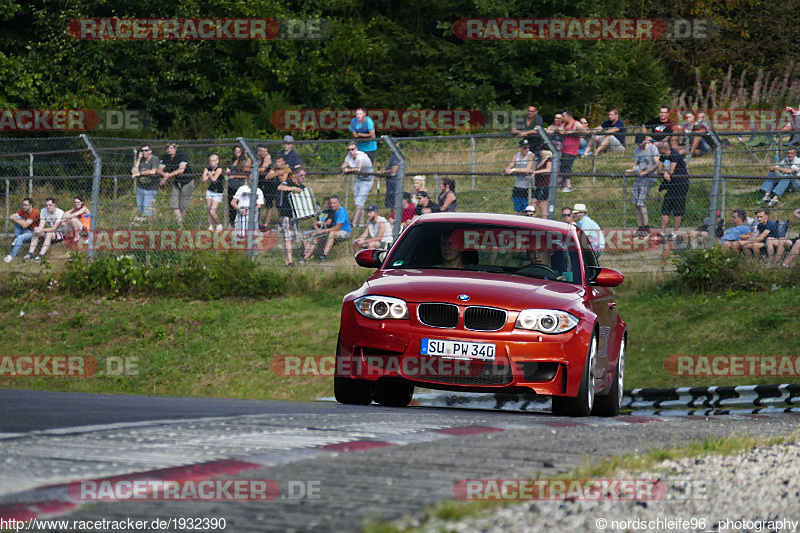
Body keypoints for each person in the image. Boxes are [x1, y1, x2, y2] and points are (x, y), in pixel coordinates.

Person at [625, 134, 660, 235]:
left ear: (645, 140)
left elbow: (657, 164)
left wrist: (646, 172)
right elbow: (636, 165)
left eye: (641, 143)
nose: (640, 145)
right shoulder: (637, 150)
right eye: (638, 143)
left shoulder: (653, 149)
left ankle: (646, 226)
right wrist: (631, 170)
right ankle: (640, 227)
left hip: (648, 177)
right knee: (636, 203)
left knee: (641, 203)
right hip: (639, 176)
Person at [656, 141, 690, 239]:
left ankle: (674, 232)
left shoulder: (674, 154)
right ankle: (662, 232)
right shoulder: (663, 157)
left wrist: (666, 173)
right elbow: (659, 170)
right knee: (665, 208)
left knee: (678, 209)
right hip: (671, 185)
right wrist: (665, 173)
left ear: (663, 149)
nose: (658, 151)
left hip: (681, 184)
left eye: (659, 149)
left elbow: (672, 170)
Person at [276, 166, 305, 266]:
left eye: (304, 176)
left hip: (296, 215)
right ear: (296, 175)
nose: (303, 177)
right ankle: (291, 261)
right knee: (288, 237)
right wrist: (293, 189)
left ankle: (287, 260)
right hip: (286, 214)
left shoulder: (303, 187)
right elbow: (280, 187)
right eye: (301, 175)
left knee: (292, 238)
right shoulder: (289, 183)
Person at [159, 143, 193, 226]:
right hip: (176, 181)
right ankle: (180, 223)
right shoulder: (165, 157)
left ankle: (182, 224)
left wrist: (168, 176)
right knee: (173, 203)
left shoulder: (182, 155)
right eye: (168, 148)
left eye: (171, 148)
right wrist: (164, 175)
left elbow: (181, 170)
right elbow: (159, 169)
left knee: (184, 204)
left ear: (175, 149)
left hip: (187, 181)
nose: (169, 150)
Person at [342, 142, 374, 228]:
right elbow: (343, 166)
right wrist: (346, 168)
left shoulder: (361, 155)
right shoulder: (349, 156)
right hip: (359, 179)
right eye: (349, 150)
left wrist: (348, 170)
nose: (351, 151)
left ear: (356, 149)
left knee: (359, 202)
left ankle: (354, 222)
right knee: (360, 202)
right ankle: (361, 223)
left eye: (352, 149)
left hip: (367, 180)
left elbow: (358, 169)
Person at [553, 110, 586, 192]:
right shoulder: (564, 125)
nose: (562, 118)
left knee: (567, 165)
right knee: (563, 166)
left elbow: (584, 130)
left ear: (569, 116)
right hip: (564, 149)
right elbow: (559, 130)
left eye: (564, 116)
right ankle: (562, 184)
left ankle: (569, 185)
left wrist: (573, 132)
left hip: (572, 150)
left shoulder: (576, 124)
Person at [24, 197, 64, 262]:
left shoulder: (60, 212)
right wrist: (38, 229)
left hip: (59, 233)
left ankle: (40, 256)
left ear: (54, 205)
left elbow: (54, 228)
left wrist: (41, 229)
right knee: (36, 232)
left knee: (49, 233)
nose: (48, 207)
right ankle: (30, 254)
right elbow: (41, 224)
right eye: (47, 205)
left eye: (50, 205)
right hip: (49, 230)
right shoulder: (43, 210)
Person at [503, 139, 535, 215]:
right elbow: (511, 165)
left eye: (528, 148)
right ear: (520, 148)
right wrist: (506, 169)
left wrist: (513, 170)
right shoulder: (516, 156)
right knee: (518, 209)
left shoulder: (531, 155)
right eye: (525, 148)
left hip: (528, 186)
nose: (527, 150)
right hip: (518, 185)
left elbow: (527, 169)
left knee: (528, 210)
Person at [131, 144, 161, 225]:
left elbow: (153, 171)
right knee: (140, 208)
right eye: (142, 151)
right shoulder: (141, 160)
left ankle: (149, 226)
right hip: (141, 187)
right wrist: (138, 159)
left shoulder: (154, 159)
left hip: (151, 188)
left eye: (146, 150)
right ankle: (142, 224)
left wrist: (140, 173)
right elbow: (133, 171)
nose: (144, 152)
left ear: (150, 151)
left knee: (147, 208)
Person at [4, 198, 40, 263]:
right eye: (23, 205)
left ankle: (11, 256)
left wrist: (17, 220)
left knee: (20, 237)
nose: (24, 206)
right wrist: (19, 220)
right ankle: (16, 237)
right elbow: (11, 217)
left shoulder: (35, 212)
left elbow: (25, 225)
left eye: (26, 205)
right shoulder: (22, 211)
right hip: (25, 230)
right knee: (19, 219)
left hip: (33, 232)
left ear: (31, 205)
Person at [301, 197, 334, 262]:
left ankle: (305, 257)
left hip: (323, 231)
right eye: (325, 204)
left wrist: (319, 224)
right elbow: (314, 223)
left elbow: (328, 222)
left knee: (313, 241)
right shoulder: (322, 213)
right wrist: (317, 228)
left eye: (328, 204)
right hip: (316, 230)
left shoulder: (331, 213)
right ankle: (307, 253)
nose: (326, 206)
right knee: (304, 236)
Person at [320, 195, 352, 262]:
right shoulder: (330, 211)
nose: (332, 205)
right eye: (331, 203)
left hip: (345, 232)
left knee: (332, 234)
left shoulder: (342, 212)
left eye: (334, 203)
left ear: (339, 204)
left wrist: (324, 230)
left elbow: (337, 227)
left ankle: (324, 255)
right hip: (334, 230)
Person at [226, 146, 248, 228]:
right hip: (231, 185)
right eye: (235, 151)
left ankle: (238, 222)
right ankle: (231, 223)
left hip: (238, 186)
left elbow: (246, 176)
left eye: (239, 151)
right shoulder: (232, 161)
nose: (237, 152)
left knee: (237, 204)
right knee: (230, 204)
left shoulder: (244, 162)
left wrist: (234, 176)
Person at [202, 154, 224, 231]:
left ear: (217, 161)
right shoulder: (207, 168)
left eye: (214, 161)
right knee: (209, 209)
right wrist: (210, 174)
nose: (212, 162)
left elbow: (214, 179)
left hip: (218, 191)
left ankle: (219, 224)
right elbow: (203, 179)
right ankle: (210, 226)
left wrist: (210, 175)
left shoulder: (219, 169)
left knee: (212, 211)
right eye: (210, 161)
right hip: (210, 190)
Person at [531, 149, 553, 217]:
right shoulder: (539, 160)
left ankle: (545, 221)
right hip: (537, 185)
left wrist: (535, 172)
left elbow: (548, 169)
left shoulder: (549, 159)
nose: (540, 152)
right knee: (532, 205)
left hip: (544, 185)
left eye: (541, 151)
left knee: (542, 206)